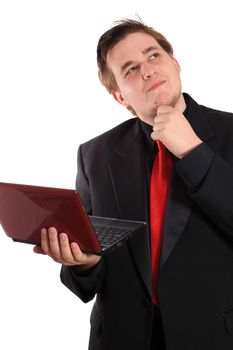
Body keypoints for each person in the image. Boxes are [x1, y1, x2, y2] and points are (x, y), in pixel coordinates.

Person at [33, 19, 233, 350]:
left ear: (175, 63)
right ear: (119, 97)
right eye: (130, 69)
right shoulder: (94, 155)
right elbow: (87, 276)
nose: (147, 70)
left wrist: (193, 152)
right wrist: (85, 264)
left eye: (153, 56)